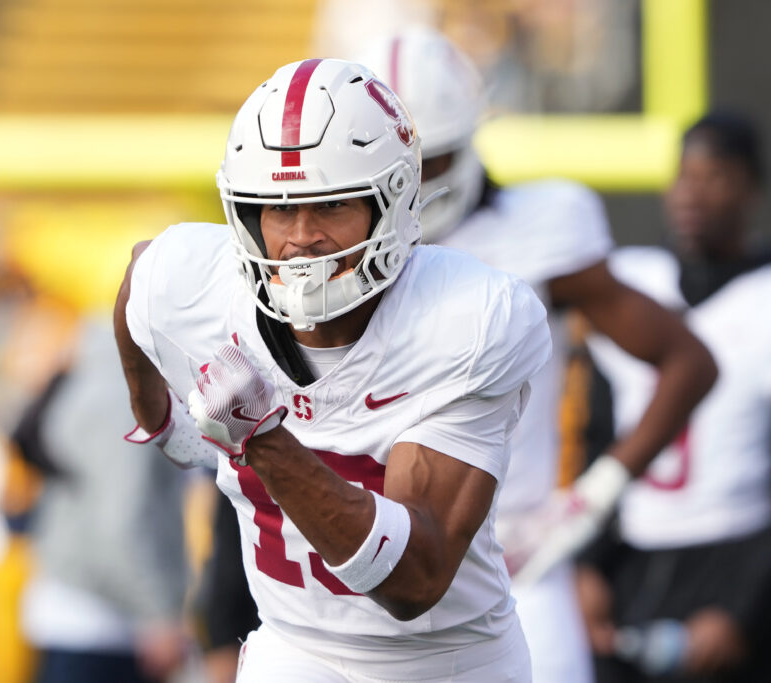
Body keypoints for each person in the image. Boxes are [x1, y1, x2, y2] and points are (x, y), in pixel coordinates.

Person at [116, 57, 553, 682]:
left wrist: (261, 438)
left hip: (447, 661)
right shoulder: (189, 283)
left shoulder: (469, 318)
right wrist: (159, 420)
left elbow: (414, 581)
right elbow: (139, 278)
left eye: (331, 205)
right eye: (276, 209)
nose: (300, 237)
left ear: (395, 201)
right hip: (292, 649)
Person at [356, 28, 717, 683]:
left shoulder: (539, 231)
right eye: (391, 165)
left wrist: (591, 498)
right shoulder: (317, 251)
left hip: (512, 561)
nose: (411, 184)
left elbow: (688, 360)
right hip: (362, 567)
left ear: (468, 138)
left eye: (427, 159)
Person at [576, 111, 771, 682]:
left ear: (751, 189)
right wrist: (587, 565)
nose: (691, 193)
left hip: (736, 552)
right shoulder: (634, 283)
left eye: (714, 177)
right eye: (683, 175)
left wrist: (745, 608)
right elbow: (599, 438)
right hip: (630, 559)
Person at [12, 317, 191, 683]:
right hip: (104, 621)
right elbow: (122, 520)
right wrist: (157, 613)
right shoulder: (123, 398)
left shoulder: (92, 381)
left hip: (82, 609)